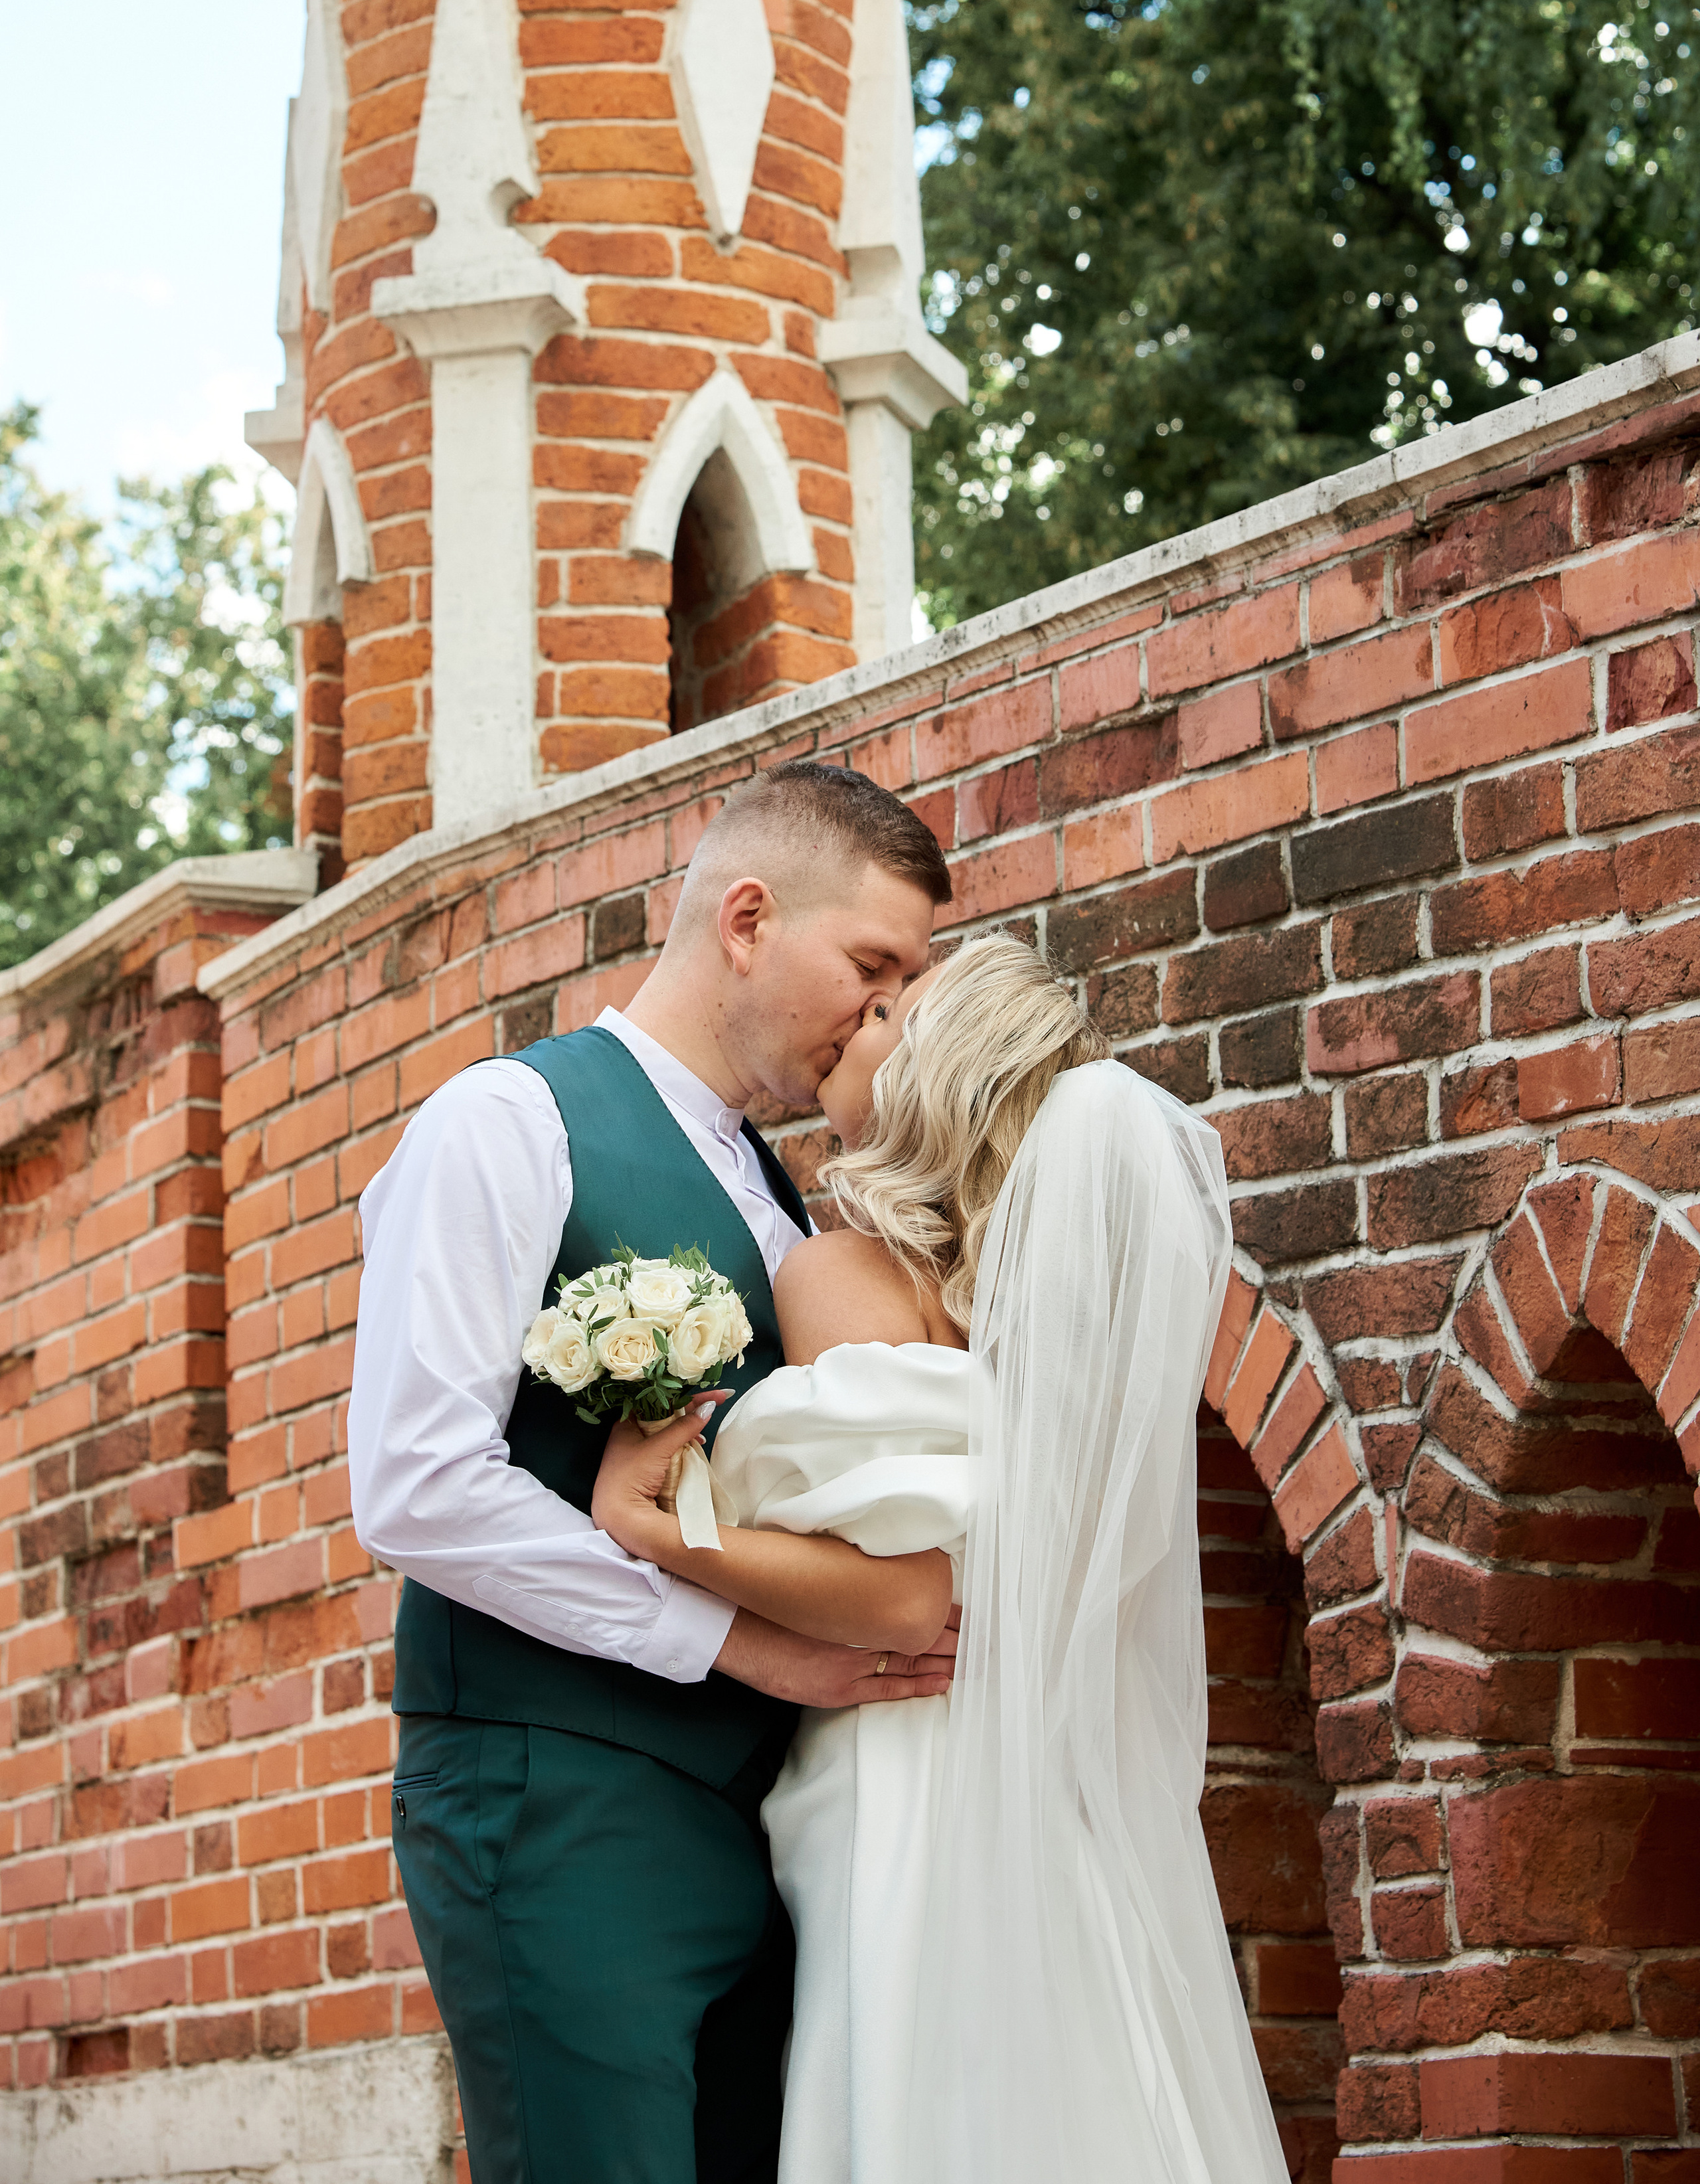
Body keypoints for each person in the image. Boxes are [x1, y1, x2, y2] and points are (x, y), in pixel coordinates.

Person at [594, 934, 1290, 2184]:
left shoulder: (844, 1271)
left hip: (916, 1777)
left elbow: (910, 1598)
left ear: (934, 1076)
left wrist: (658, 1530)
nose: (857, 1017)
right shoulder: (1049, 1316)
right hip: (1049, 1792)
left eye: (887, 1015)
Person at [347, 761, 958, 2184]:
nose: (884, 1012)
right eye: (870, 967)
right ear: (747, 919)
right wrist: (736, 1641)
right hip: (558, 1799)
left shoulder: (781, 1197)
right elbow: (418, 1484)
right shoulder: (507, 1121)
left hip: (760, 1820)